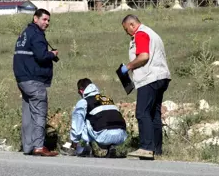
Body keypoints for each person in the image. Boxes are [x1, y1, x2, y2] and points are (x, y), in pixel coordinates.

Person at [120, 14, 171, 158]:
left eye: (126, 29)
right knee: (154, 114)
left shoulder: (141, 34)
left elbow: (143, 56)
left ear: (131, 25)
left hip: (149, 78)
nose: (127, 33)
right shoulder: (153, 33)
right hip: (162, 77)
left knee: (142, 112)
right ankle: (157, 149)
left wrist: (128, 66)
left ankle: (146, 148)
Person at [13, 8, 59, 156]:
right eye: (44, 19)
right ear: (35, 19)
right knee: (39, 112)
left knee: (27, 114)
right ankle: (39, 146)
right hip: (34, 79)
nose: (47, 23)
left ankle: (28, 147)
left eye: (48, 20)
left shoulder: (24, 34)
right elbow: (41, 56)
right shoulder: (37, 34)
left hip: (22, 79)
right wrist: (51, 54)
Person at [70, 78, 128, 157]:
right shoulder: (107, 99)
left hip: (104, 136)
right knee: (99, 117)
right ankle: (111, 147)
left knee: (83, 118)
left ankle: (87, 147)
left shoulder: (84, 102)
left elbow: (77, 125)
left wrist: (74, 143)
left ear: (81, 91)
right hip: (122, 135)